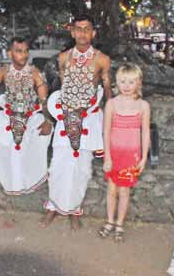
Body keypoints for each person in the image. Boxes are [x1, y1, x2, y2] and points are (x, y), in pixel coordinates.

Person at [40, 13, 113, 230]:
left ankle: (74, 210)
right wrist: (52, 117)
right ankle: (53, 207)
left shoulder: (102, 59)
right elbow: (62, 90)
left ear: (93, 32)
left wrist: (112, 116)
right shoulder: (63, 58)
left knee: (82, 168)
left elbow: (107, 89)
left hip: (89, 119)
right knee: (58, 166)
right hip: (66, 119)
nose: (82, 33)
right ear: (72, 32)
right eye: (78, 29)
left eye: (86, 28)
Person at [0, 37, 53, 196]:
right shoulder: (3, 71)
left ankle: (30, 181)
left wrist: (47, 119)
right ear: (10, 53)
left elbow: (44, 100)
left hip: (30, 117)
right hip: (9, 116)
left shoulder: (35, 72)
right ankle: (14, 184)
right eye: (19, 51)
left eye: (26, 51)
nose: (24, 55)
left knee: (39, 132)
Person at [98, 63, 151, 242]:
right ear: (116, 83)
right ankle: (110, 221)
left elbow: (145, 133)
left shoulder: (144, 106)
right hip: (114, 154)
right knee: (111, 190)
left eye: (131, 82)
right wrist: (107, 157)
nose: (126, 86)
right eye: (123, 81)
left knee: (124, 191)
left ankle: (120, 223)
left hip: (131, 156)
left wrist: (144, 157)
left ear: (139, 83)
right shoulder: (111, 104)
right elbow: (106, 131)